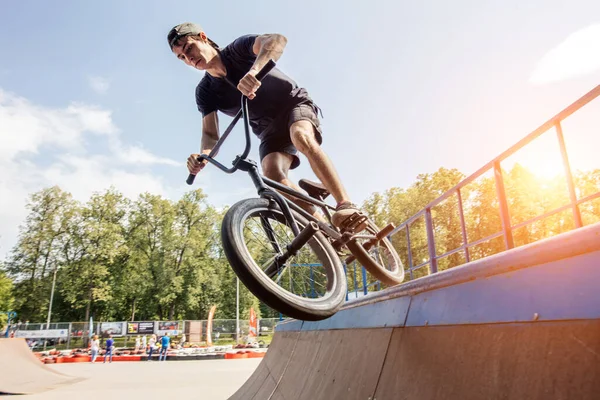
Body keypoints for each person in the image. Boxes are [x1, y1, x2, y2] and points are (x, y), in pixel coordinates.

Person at [168, 23, 367, 232]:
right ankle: (326, 229)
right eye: (181, 57)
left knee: (300, 136)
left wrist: (254, 71)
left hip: (292, 104)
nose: (188, 58)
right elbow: (210, 134)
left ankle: (346, 205)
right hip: (268, 131)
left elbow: (276, 40)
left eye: (188, 48)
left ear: (203, 37)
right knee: (272, 176)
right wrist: (203, 156)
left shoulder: (236, 50)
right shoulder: (205, 91)